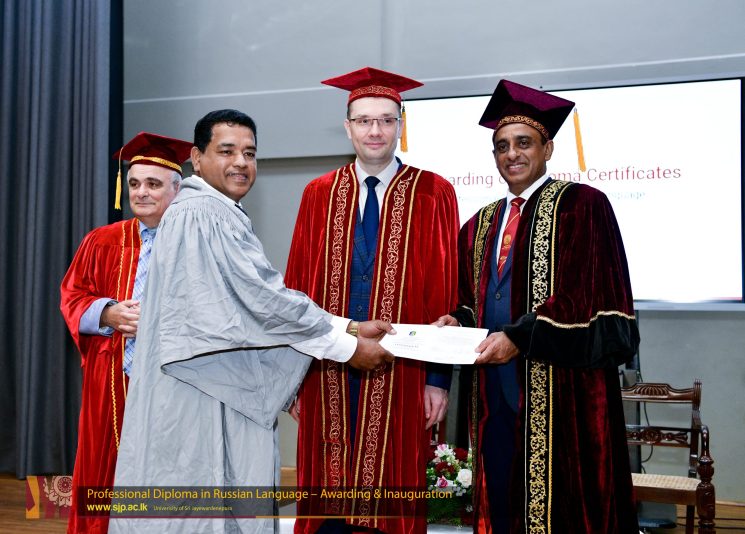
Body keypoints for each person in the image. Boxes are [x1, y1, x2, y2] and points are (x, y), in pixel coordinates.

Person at [109, 109, 395, 534]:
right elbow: (262, 301)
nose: (241, 162)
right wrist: (347, 345)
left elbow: (253, 301)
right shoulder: (202, 213)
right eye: (226, 151)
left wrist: (346, 327)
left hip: (212, 385)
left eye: (250, 153)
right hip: (199, 394)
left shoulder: (214, 211)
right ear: (197, 158)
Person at [436, 80, 640, 533]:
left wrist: (519, 336)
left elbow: (586, 297)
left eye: (524, 143)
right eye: (502, 146)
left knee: (564, 505)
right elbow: (471, 301)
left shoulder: (583, 206)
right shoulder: (478, 224)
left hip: (561, 391)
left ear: (547, 148)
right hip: (491, 393)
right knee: (501, 498)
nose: (512, 154)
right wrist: (456, 322)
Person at [285, 67, 460, 534]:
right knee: (329, 493)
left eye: (386, 120)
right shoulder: (318, 194)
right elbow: (296, 289)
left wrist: (438, 380)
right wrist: (292, 378)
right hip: (326, 367)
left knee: (390, 490)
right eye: (364, 120)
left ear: (401, 125)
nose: (375, 130)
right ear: (348, 127)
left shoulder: (434, 192)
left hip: (404, 369)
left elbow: (445, 293)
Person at [59, 132, 192, 534]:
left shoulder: (196, 239)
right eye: (134, 183)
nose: (141, 192)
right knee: (105, 471)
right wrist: (107, 312)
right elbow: (72, 296)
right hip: (112, 380)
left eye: (153, 183)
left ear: (177, 189)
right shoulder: (102, 240)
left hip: (175, 380)